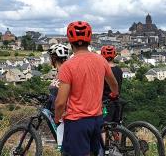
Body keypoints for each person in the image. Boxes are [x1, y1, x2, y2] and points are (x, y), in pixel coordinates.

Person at [54, 21, 120, 156]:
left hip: (76, 122)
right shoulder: (101, 60)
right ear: (89, 41)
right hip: (97, 120)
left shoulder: (67, 66)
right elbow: (114, 85)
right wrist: (114, 94)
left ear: (70, 41)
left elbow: (60, 102)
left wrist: (57, 118)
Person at [100, 45, 124, 123]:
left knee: (103, 127)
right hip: (117, 101)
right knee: (117, 126)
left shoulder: (102, 70)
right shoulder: (119, 70)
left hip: (105, 104)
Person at [46, 44, 72, 111]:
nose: (49, 60)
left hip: (62, 114)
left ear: (53, 58)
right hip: (56, 111)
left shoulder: (66, 73)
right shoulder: (59, 72)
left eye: (50, 57)